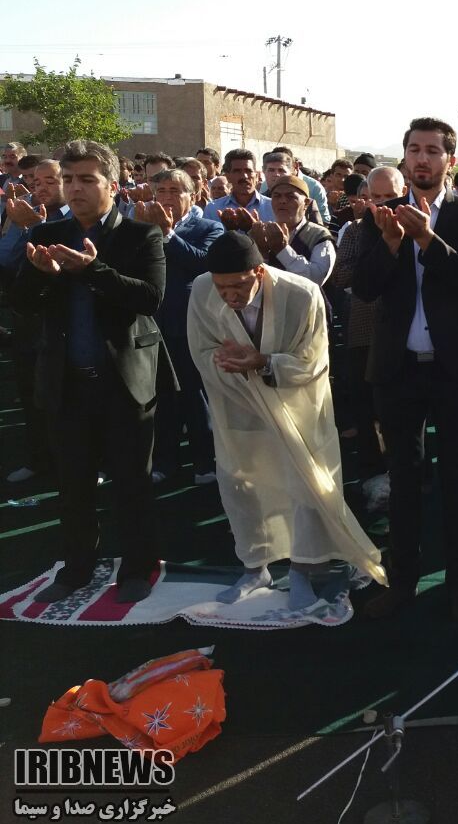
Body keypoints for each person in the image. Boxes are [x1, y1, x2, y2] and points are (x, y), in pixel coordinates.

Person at [12, 140, 176, 604]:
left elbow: (149, 299)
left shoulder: (140, 235)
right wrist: (42, 274)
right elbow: (22, 304)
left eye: (87, 179)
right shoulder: (47, 232)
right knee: (74, 484)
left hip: (124, 382)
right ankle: (77, 567)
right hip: (66, 381)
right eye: (68, 179)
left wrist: (91, 269)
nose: (75, 188)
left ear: (113, 185)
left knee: (131, 483)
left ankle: (138, 568)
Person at [187, 232, 386, 608]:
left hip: (297, 408)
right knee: (241, 484)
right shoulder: (202, 289)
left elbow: (314, 362)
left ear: (260, 272)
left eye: (238, 285)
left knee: (304, 487)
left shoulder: (302, 294)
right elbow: (201, 350)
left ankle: (302, 571)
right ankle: (254, 567)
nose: (229, 295)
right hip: (237, 406)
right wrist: (231, 365)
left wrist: (264, 363)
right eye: (222, 287)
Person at [353, 117, 458, 621]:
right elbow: (364, 287)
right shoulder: (380, 215)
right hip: (399, 369)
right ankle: (402, 581)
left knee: (456, 478)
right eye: (414, 149)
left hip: (455, 370)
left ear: (449, 161)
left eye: (432, 151)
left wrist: (427, 240)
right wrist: (393, 243)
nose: (422, 159)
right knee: (404, 479)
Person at [134, 169, 224, 485]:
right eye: (161, 191)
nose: (167, 198)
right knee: (160, 397)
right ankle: (165, 461)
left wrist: (169, 233)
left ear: (192, 195)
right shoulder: (142, 227)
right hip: (152, 324)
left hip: (191, 324)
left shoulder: (208, 227)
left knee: (195, 395)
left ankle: (205, 461)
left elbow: (203, 263)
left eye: (175, 191)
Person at [329, 167, 404, 492]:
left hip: (403, 335)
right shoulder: (356, 231)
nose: (383, 204)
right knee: (365, 406)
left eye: (391, 196)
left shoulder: (416, 229)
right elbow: (341, 276)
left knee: (402, 412)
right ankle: (374, 477)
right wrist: (379, 252)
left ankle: (408, 475)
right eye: (376, 197)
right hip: (363, 331)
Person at [0, 159, 68, 484]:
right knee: (31, 393)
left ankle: (84, 463)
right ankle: (39, 459)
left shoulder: (77, 220)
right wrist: (21, 228)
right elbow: (9, 264)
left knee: (70, 399)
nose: (40, 188)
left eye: (49, 181)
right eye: (36, 182)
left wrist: (35, 229)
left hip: (65, 324)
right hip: (29, 324)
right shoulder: (25, 216)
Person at [250, 176, 336, 286]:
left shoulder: (319, 236)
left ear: (306, 203)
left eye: (291, 197)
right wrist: (262, 252)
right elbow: (253, 281)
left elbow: (315, 279)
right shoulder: (264, 233)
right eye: (277, 196)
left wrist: (283, 250)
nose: (282, 201)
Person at [209, 149, 274, 223]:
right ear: (228, 177)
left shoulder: (273, 207)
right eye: (237, 171)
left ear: (256, 176)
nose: (244, 176)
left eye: (248, 171)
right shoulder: (213, 209)